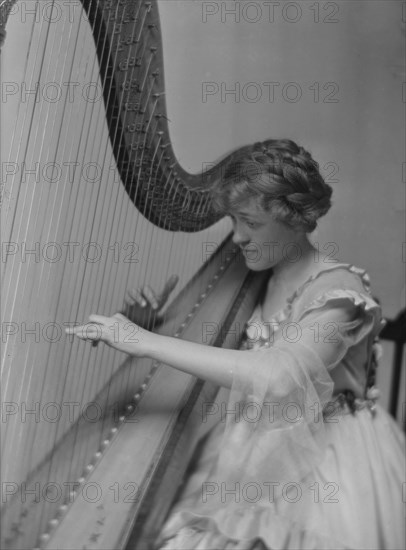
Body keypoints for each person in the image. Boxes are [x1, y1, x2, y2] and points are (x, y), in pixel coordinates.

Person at [66, 139, 405, 550]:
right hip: (256, 445)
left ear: (296, 218)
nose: (239, 237)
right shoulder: (255, 275)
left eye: (252, 223)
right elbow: (225, 356)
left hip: (326, 460)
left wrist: (146, 342)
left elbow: (281, 377)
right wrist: (155, 325)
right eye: (233, 221)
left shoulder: (338, 292)